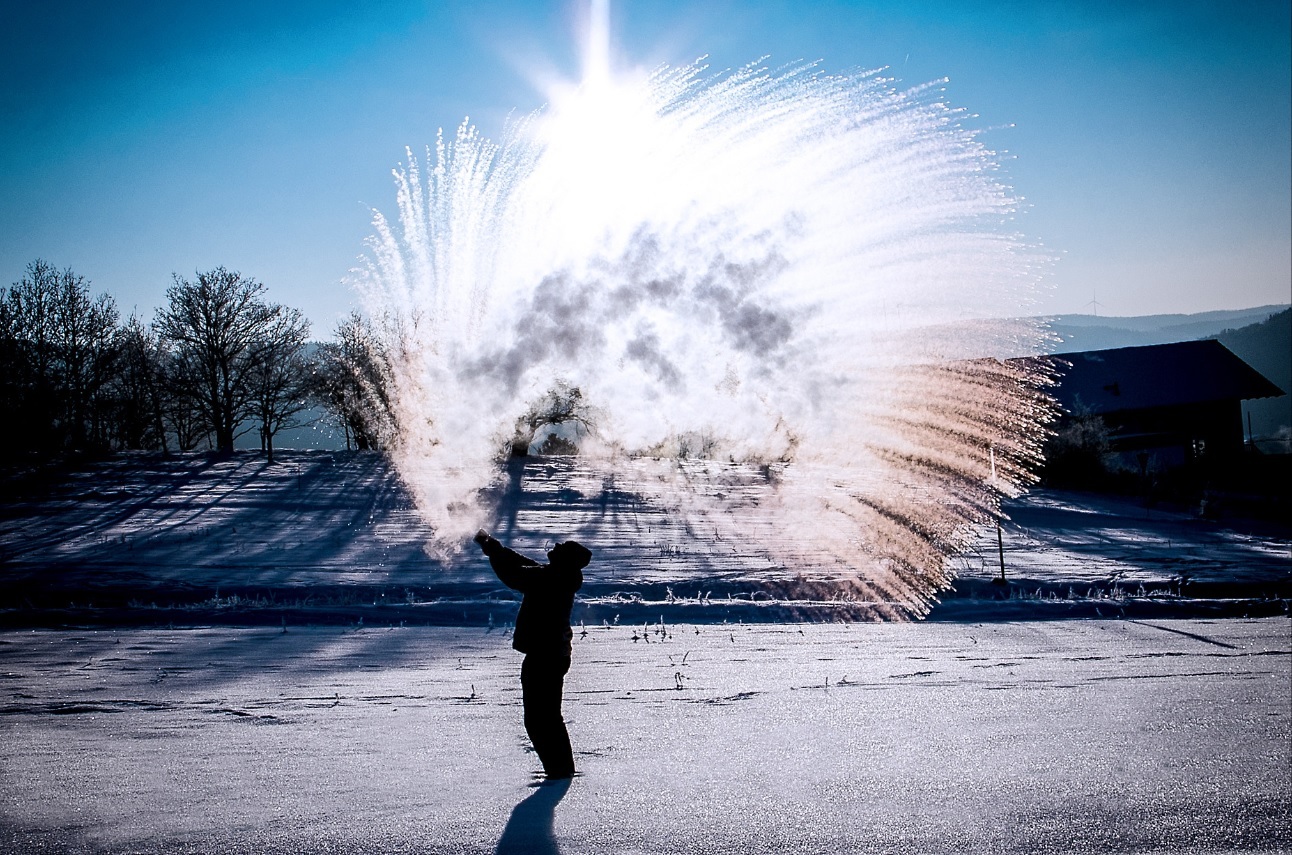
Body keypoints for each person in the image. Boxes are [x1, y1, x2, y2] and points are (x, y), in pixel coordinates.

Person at [474, 530, 590, 780]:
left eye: (562, 547)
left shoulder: (552, 578)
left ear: (565, 559)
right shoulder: (558, 575)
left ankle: (559, 772)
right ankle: (560, 770)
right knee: (547, 718)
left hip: (544, 656)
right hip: (551, 654)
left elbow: (515, 575)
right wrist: (495, 547)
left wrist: (492, 551)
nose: (556, 546)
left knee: (540, 720)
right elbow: (523, 564)